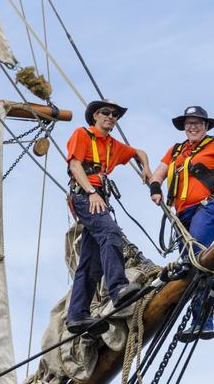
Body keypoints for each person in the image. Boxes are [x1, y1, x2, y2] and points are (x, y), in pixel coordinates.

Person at [149, 105, 214, 342]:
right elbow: (159, 172)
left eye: (197, 123)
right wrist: (155, 188)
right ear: (184, 127)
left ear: (205, 126)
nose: (192, 127)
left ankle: (203, 319)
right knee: (188, 265)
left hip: (208, 208)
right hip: (183, 215)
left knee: (195, 258)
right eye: (189, 123)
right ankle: (198, 314)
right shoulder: (176, 151)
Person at [65, 99, 152, 334]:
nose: (111, 116)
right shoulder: (81, 134)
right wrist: (92, 192)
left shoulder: (113, 145)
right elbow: (75, 166)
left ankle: (77, 315)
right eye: (106, 112)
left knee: (90, 262)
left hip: (98, 197)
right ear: (95, 115)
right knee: (111, 233)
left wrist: (146, 168)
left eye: (115, 114)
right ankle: (118, 288)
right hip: (86, 196)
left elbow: (139, 152)